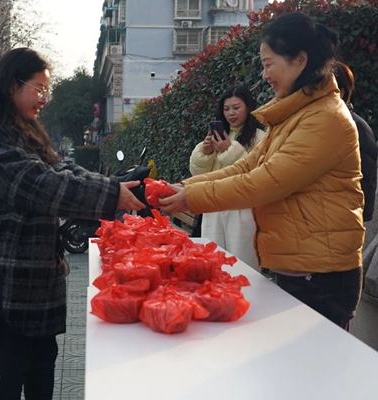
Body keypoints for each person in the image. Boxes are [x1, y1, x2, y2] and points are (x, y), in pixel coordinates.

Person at [0, 47, 145, 400]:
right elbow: (40, 186)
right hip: (2, 275)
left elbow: (61, 168)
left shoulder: (24, 129)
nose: (44, 98)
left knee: (43, 358)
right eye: (39, 89)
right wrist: (110, 194)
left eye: (48, 89)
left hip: (35, 272)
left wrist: (113, 183)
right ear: (12, 86)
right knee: (15, 363)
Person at [159, 12, 364, 330]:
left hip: (323, 274)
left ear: (300, 60)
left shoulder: (325, 119)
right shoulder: (295, 115)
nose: (265, 74)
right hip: (300, 265)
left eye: (269, 64)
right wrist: (185, 186)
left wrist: (193, 197)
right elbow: (247, 166)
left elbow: (265, 182)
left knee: (315, 359)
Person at [189, 86, 266, 269]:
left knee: (242, 264)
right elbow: (199, 175)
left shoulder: (260, 137)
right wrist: (205, 153)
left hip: (242, 208)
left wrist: (228, 150)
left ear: (248, 108)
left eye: (236, 107)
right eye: (226, 109)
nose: (231, 113)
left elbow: (256, 172)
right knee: (214, 262)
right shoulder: (219, 135)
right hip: (214, 205)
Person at [333, 61, 378, 222]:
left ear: (341, 92)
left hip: (344, 217)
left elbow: (365, 179)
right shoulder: (325, 124)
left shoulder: (356, 127)